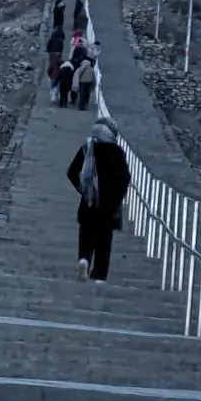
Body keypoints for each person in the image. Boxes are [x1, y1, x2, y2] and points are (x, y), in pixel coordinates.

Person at [68, 118, 132, 280]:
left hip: (88, 202)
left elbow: (71, 172)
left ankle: (84, 260)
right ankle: (99, 276)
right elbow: (125, 179)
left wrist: (83, 189)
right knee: (104, 242)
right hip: (108, 207)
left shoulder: (87, 147)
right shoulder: (117, 153)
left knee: (86, 236)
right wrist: (116, 199)